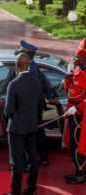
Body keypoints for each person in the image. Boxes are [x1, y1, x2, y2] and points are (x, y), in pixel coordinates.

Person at [3, 53, 44, 195]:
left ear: (17, 65)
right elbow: (40, 106)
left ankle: (15, 192)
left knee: (17, 162)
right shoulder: (37, 83)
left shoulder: (13, 84)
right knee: (34, 160)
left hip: (16, 129)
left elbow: (8, 111)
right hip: (32, 127)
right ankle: (32, 189)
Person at [19, 40, 59, 169]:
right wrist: (49, 95)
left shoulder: (30, 69)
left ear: (26, 54)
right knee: (39, 132)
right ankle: (43, 158)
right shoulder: (34, 65)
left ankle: (30, 161)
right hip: (36, 106)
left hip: (30, 107)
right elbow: (44, 81)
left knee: (32, 133)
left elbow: (27, 89)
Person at [63, 37, 86, 184]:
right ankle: (77, 169)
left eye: (77, 56)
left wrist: (77, 108)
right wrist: (69, 76)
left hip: (79, 115)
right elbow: (68, 90)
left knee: (78, 143)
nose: (75, 58)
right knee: (72, 143)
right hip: (72, 110)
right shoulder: (78, 71)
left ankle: (82, 172)